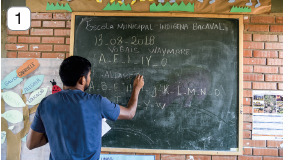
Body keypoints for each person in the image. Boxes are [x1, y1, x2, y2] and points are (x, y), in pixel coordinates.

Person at [26, 56, 144, 160]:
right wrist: (136, 88)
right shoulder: (97, 102)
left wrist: (57, 131)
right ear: (82, 79)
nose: (89, 79)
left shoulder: (46, 103)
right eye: (89, 75)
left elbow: (31, 143)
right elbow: (130, 113)